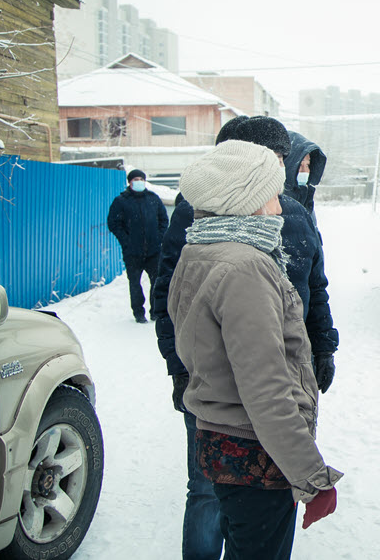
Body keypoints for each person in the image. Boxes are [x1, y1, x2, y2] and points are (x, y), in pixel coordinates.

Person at [151, 115, 339, 560]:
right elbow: (265, 390)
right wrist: (312, 478)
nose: (279, 207)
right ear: (246, 197)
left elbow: (314, 287)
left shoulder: (202, 246)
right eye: (271, 195)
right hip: (253, 445)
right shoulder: (245, 267)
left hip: (222, 431)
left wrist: (321, 347)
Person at [107, 168, 168, 323]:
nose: (139, 182)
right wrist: (126, 241)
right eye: (136, 179)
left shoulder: (153, 199)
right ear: (130, 182)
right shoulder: (121, 201)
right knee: (135, 284)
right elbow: (113, 223)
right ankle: (138, 313)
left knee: (156, 282)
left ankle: (155, 312)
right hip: (132, 252)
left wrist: (159, 238)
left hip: (153, 250)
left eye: (141, 179)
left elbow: (163, 220)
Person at [283, 130, 327, 231]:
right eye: (299, 165)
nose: (304, 171)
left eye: (307, 165)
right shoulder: (277, 204)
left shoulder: (305, 198)